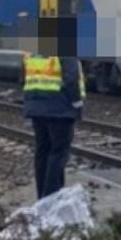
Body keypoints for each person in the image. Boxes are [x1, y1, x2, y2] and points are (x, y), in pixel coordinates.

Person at [21, 48, 85, 200]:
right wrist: (77, 103)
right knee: (58, 153)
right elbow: (71, 77)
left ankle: (42, 196)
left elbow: (25, 75)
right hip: (59, 108)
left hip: (37, 108)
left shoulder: (32, 49)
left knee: (42, 151)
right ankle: (51, 198)